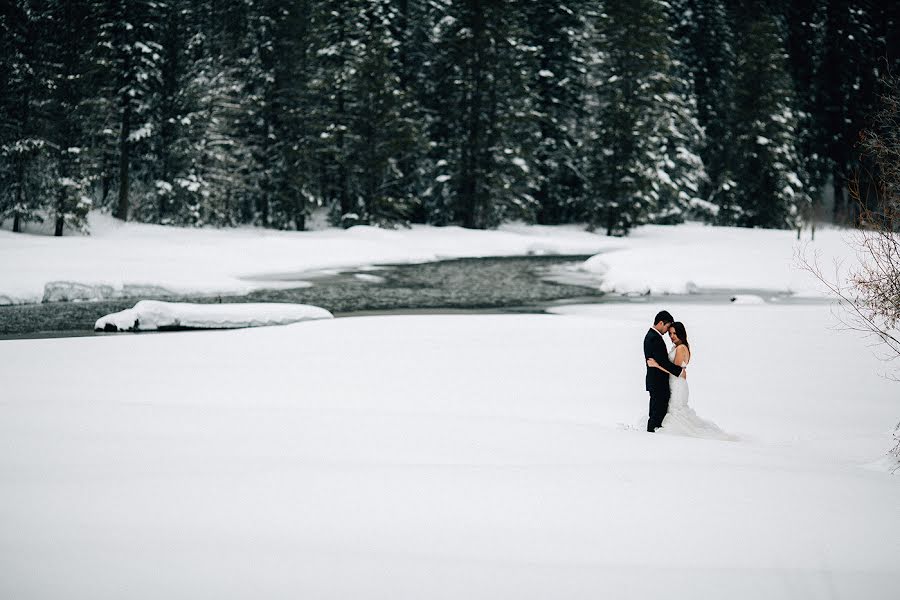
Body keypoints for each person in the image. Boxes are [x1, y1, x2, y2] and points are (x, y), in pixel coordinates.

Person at [647, 321, 734, 440]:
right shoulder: (677, 347)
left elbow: (676, 371)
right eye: (670, 334)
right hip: (674, 383)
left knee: (676, 410)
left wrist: (656, 365)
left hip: (677, 385)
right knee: (673, 410)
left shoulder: (681, 348)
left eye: (675, 333)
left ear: (681, 334)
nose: (672, 336)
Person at [642, 311, 683, 432]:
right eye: (666, 327)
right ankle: (652, 436)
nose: (667, 331)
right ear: (660, 323)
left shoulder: (651, 336)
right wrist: (679, 371)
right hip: (658, 383)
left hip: (655, 381)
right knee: (657, 414)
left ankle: (652, 434)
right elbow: (663, 362)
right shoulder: (655, 338)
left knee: (655, 412)